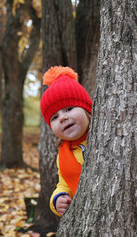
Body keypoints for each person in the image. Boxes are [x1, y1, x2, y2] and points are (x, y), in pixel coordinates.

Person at [40, 66, 93, 216]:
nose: (62, 117)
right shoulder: (64, 155)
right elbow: (64, 183)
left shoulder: (105, 136)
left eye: (69, 109)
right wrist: (58, 198)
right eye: (54, 117)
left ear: (86, 109)